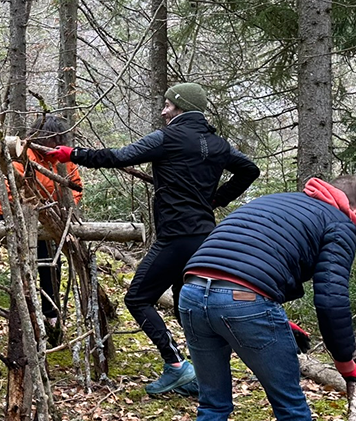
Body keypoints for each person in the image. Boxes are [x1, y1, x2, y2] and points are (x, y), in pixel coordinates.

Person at [46, 82, 260, 394]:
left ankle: (176, 365)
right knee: (186, 305)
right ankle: (203, 377)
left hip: (176, 236)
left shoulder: (168, 137)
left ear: (181, 108)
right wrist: (214, 200)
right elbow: (249, 170)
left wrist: (72, 154)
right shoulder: (218, 144)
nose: (163, 111)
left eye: (168, 106)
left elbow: (119, 156)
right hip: (205, 238)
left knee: (137, 298)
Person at [179, 175, 356, 420]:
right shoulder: (341, 223)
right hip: (244, 301)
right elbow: (331, 300)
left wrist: (274, 318)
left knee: (213, 405)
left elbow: (244, 257)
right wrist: (346, 364)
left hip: (191, 291)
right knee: (290, 408)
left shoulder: (277, 200)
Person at [0, 115, 84, 343]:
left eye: (57, 139)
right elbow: (11, 192)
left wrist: (65, 207)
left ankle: (51, 316)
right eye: (50, 139)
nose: (53, 144)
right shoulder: (22, 155)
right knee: (32, 262)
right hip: (19, 216)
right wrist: (32, 209)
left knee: (53, 265)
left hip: (52, 217)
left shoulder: (64, 159)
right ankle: (28, 319)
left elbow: (76, 187)